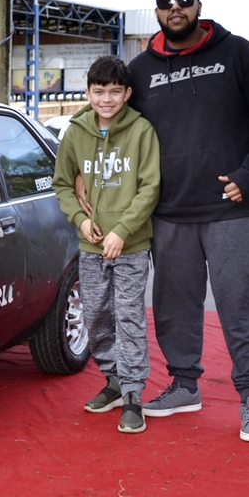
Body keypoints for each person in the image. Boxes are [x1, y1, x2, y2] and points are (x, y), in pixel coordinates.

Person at [126, 0, 249, 443]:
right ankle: (184, 386)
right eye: (166, 1)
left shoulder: (239, 54)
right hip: (169, 210)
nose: (175, 7)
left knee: (244, 304)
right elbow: (116, 130)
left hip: (233, 207)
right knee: (173, 305)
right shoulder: (140, 70)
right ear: (157, 10)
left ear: (199, 4)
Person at [53, 55, 161, 434]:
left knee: (128, 316)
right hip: (91, 246)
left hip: (130, 245)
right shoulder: (76, 133)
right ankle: (113, 380)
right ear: (87, 92)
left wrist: (123, 231)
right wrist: (81, 221)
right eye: (99, 92)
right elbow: (63, 184)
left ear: (128, 93)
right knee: (96, 314)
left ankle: (132, 394)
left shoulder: (141, 131)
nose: (107, 99)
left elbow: (150, 187)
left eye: (115, 92)